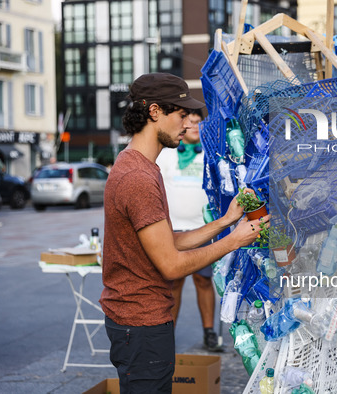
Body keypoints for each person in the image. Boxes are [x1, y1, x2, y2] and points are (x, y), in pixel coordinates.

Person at [99, 72, 269, 393]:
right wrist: (234, 241)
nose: (189, 124)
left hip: (138, 321)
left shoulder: (140, 166)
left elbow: (168, 242)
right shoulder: (137, 177)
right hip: (141, 323)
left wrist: (223, 223)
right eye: (180, 115)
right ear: (154, 113)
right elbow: (171, 265)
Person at [156, 108, 222, 352]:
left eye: (198, 122)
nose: (194, 126)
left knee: (204, 281)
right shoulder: (167, 154)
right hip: (173, 231)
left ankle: (209, 333)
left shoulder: (212, 154)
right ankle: (167, 335)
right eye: (190, 121)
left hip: (203, 229)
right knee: (173, 285)